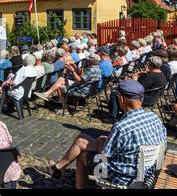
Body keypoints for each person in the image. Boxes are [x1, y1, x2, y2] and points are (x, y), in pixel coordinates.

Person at [36, 80, 166, 189]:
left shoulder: (122, 127)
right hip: (146, 171)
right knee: (81, 141)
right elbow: (163, 145)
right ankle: (57, 169)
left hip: (123, 177)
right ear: (140, 98)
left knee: (82, 155)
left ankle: (62, 173)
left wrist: (100, 142)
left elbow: (104, 155)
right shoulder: (155, 118)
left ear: (121, 99)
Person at [35, 53, 102, 115]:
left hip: (81, 90)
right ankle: (47, 94)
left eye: (88, 60)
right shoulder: (97, 69)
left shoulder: (91, 70)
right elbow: (82, 79)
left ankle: (65, 108)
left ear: (92, 62)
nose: (87, 61)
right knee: (60, 79)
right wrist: (75, 70)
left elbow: (79, 80)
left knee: (58, 86)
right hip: (87, 88)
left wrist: (73, 71)